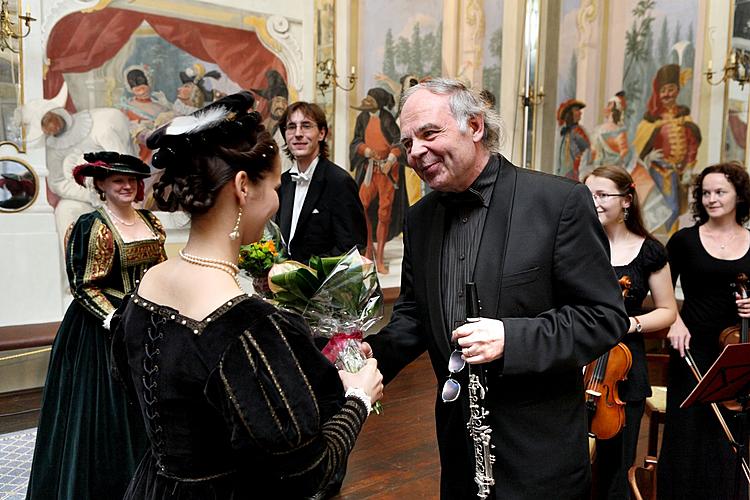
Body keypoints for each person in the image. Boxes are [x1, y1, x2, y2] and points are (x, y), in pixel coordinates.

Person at [111, 91, 383, 498]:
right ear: (242, 186)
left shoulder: (148, 286)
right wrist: (359, 398)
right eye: (274, 186)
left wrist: (329, 380)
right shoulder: (251, 326)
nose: (276, 199)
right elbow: (305, 472)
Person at [366, 78, 629, 499]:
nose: (414, 152)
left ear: (474, 126)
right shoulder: (419, 218)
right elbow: (414, 316)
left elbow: (604, 317)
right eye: (408, 141)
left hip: (538, 454)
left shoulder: (558, 202)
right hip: (458, 450)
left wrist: (513, 336)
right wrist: (367, 356)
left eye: (429, 133)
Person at [26, 151, 165, 500]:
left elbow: (160, 272)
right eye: (119, 180)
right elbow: (84, 285)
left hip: (146, 324)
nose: (127, 186)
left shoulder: (151, 222)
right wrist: (117, 320)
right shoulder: (93, 226)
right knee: (102, 416)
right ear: (101, 184)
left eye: (132, 180)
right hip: (99, 333)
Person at [583, 165, 677, 499]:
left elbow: (667, 310)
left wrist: (630, 323)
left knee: (615, 466)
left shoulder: (650, 251)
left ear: (626, 200)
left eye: (602, 195)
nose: (594, 202)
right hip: (577, 361)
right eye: (588, 194)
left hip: (621, 370)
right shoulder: (577, 244)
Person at [657, 162, 750, 500]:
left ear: (738, 195)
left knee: (729, 432)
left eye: (720, 192)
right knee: (688, 429)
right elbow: (661, 289)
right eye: (706, 193)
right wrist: (675, 321)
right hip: (690, 345)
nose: (711, 198)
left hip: (736, 347)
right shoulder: (684, 241)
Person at [276, 101, 367, 264]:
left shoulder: (340, 182)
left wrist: (304, 274)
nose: (298, 133)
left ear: (322, 133)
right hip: (283, 287)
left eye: (306, 125)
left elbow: (352, 247)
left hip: (323, 286)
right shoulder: (282, 183)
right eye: (291, 127)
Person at [633, 64, 702, 234]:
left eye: (671, 89)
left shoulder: (685, 117)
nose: (667, 94)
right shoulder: (651, 121)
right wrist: (649, 158)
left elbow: (692, 143)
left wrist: (689, 167)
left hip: (677, 173)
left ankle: (670, 243)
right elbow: (640, 149)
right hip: (657, 172)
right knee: (664, 209)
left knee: (676, 210)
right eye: (663, 90)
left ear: (677, 90)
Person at [349, 88, 408, 274]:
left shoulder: (387, 119)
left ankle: (380, 258)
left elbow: (400, 143)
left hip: (387, 173)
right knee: (362, 207)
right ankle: (368, 250)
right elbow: (356, 141)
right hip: (369, 170)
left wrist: (391, 159)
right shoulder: (362, 118)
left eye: (371, 99)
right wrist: (364, 150)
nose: (367, 101)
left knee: (384, 213)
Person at [556, 98, 591, 181]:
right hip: (563, 171)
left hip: (573, 171)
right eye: (576, 110)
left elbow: (586, 149)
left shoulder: (578, 131)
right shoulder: (564, 131)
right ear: (570, 113)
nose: (580, 113)